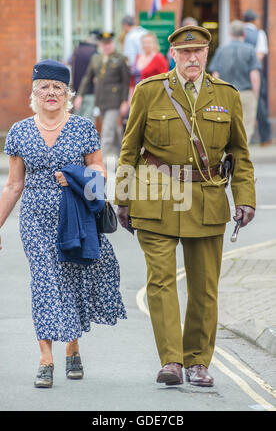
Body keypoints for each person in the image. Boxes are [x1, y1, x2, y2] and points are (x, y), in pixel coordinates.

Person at [114, 25, 256, 387]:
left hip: (207, 201)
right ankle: (172, 361)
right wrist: (123, 198)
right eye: (185, 52)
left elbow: (239, 153)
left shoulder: (226, 94)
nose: (192, 58)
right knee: (160, 283)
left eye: (199, 52)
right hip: (155, 198)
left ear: (207, 54)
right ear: (173, 54)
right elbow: (129, 149)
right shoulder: (149, 91)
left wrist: (245, 198)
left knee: (204, 287)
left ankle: (198, 362)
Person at [0, 59, 126, 388]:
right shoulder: (19, 132)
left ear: (68, 93)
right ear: (34, 91)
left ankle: (73, 348)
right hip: (35, 222)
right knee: (44, 285)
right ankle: (46, 358)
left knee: (69, 285)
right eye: (45, 87)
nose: (51, 93)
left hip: (75, 220)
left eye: (58, 87)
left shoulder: (84, 128)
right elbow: (13, 186)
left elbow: (99, 177)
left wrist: (76, 178)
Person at [74, 32, 131, 162]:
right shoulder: (96, 58)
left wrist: (124, 101)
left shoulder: (121, 59)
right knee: (114, 133)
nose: (107, 46)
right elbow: (87, 78)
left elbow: (125, 82)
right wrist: (80, 95)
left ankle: (99, 164)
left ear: (113, 43)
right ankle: (123, 160)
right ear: (100, 45)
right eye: (104, 44)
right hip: (101, 101)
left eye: (109, 43)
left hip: (115, 101)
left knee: (107, 133)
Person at [208, 20, 261, 144]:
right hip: (246, 93)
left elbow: (215, 75)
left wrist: (216, 95)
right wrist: (255, 95)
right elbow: (254, 76)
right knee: (246, 127)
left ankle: (230, 157)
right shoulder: (250, 50)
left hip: (226, 94)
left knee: (227, 126)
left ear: (230, 34)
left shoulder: (221, 50)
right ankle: (241, 157)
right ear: (244, 34)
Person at [243, 9, 272, 146]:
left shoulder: (240, 32)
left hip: (240, 71)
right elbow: (260, 55)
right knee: (259, 102)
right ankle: (265, 138)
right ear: (254, 20)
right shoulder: (259, 34)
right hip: (254, 70)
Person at [71, 29, 100, 121]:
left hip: (76, 91)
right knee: (88, 123)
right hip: (90, 92)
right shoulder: (95, 53)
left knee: (76, 122)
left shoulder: (77, 50)